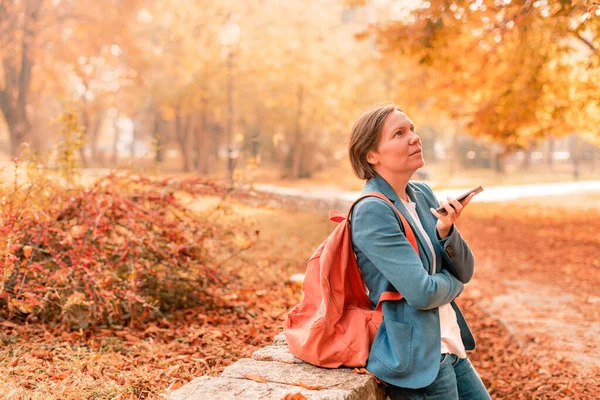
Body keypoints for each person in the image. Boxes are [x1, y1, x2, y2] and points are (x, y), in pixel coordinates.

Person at [348, 102, 491, 400]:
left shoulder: (421, 194)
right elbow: (423, 293)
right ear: (371, 155)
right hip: (421, 362)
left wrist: (445, 231)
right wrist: (456, 285)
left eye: (412, 129)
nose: (414, 137)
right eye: (399, 133)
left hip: (449, 346)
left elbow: (465, 269)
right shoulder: (373, 211)